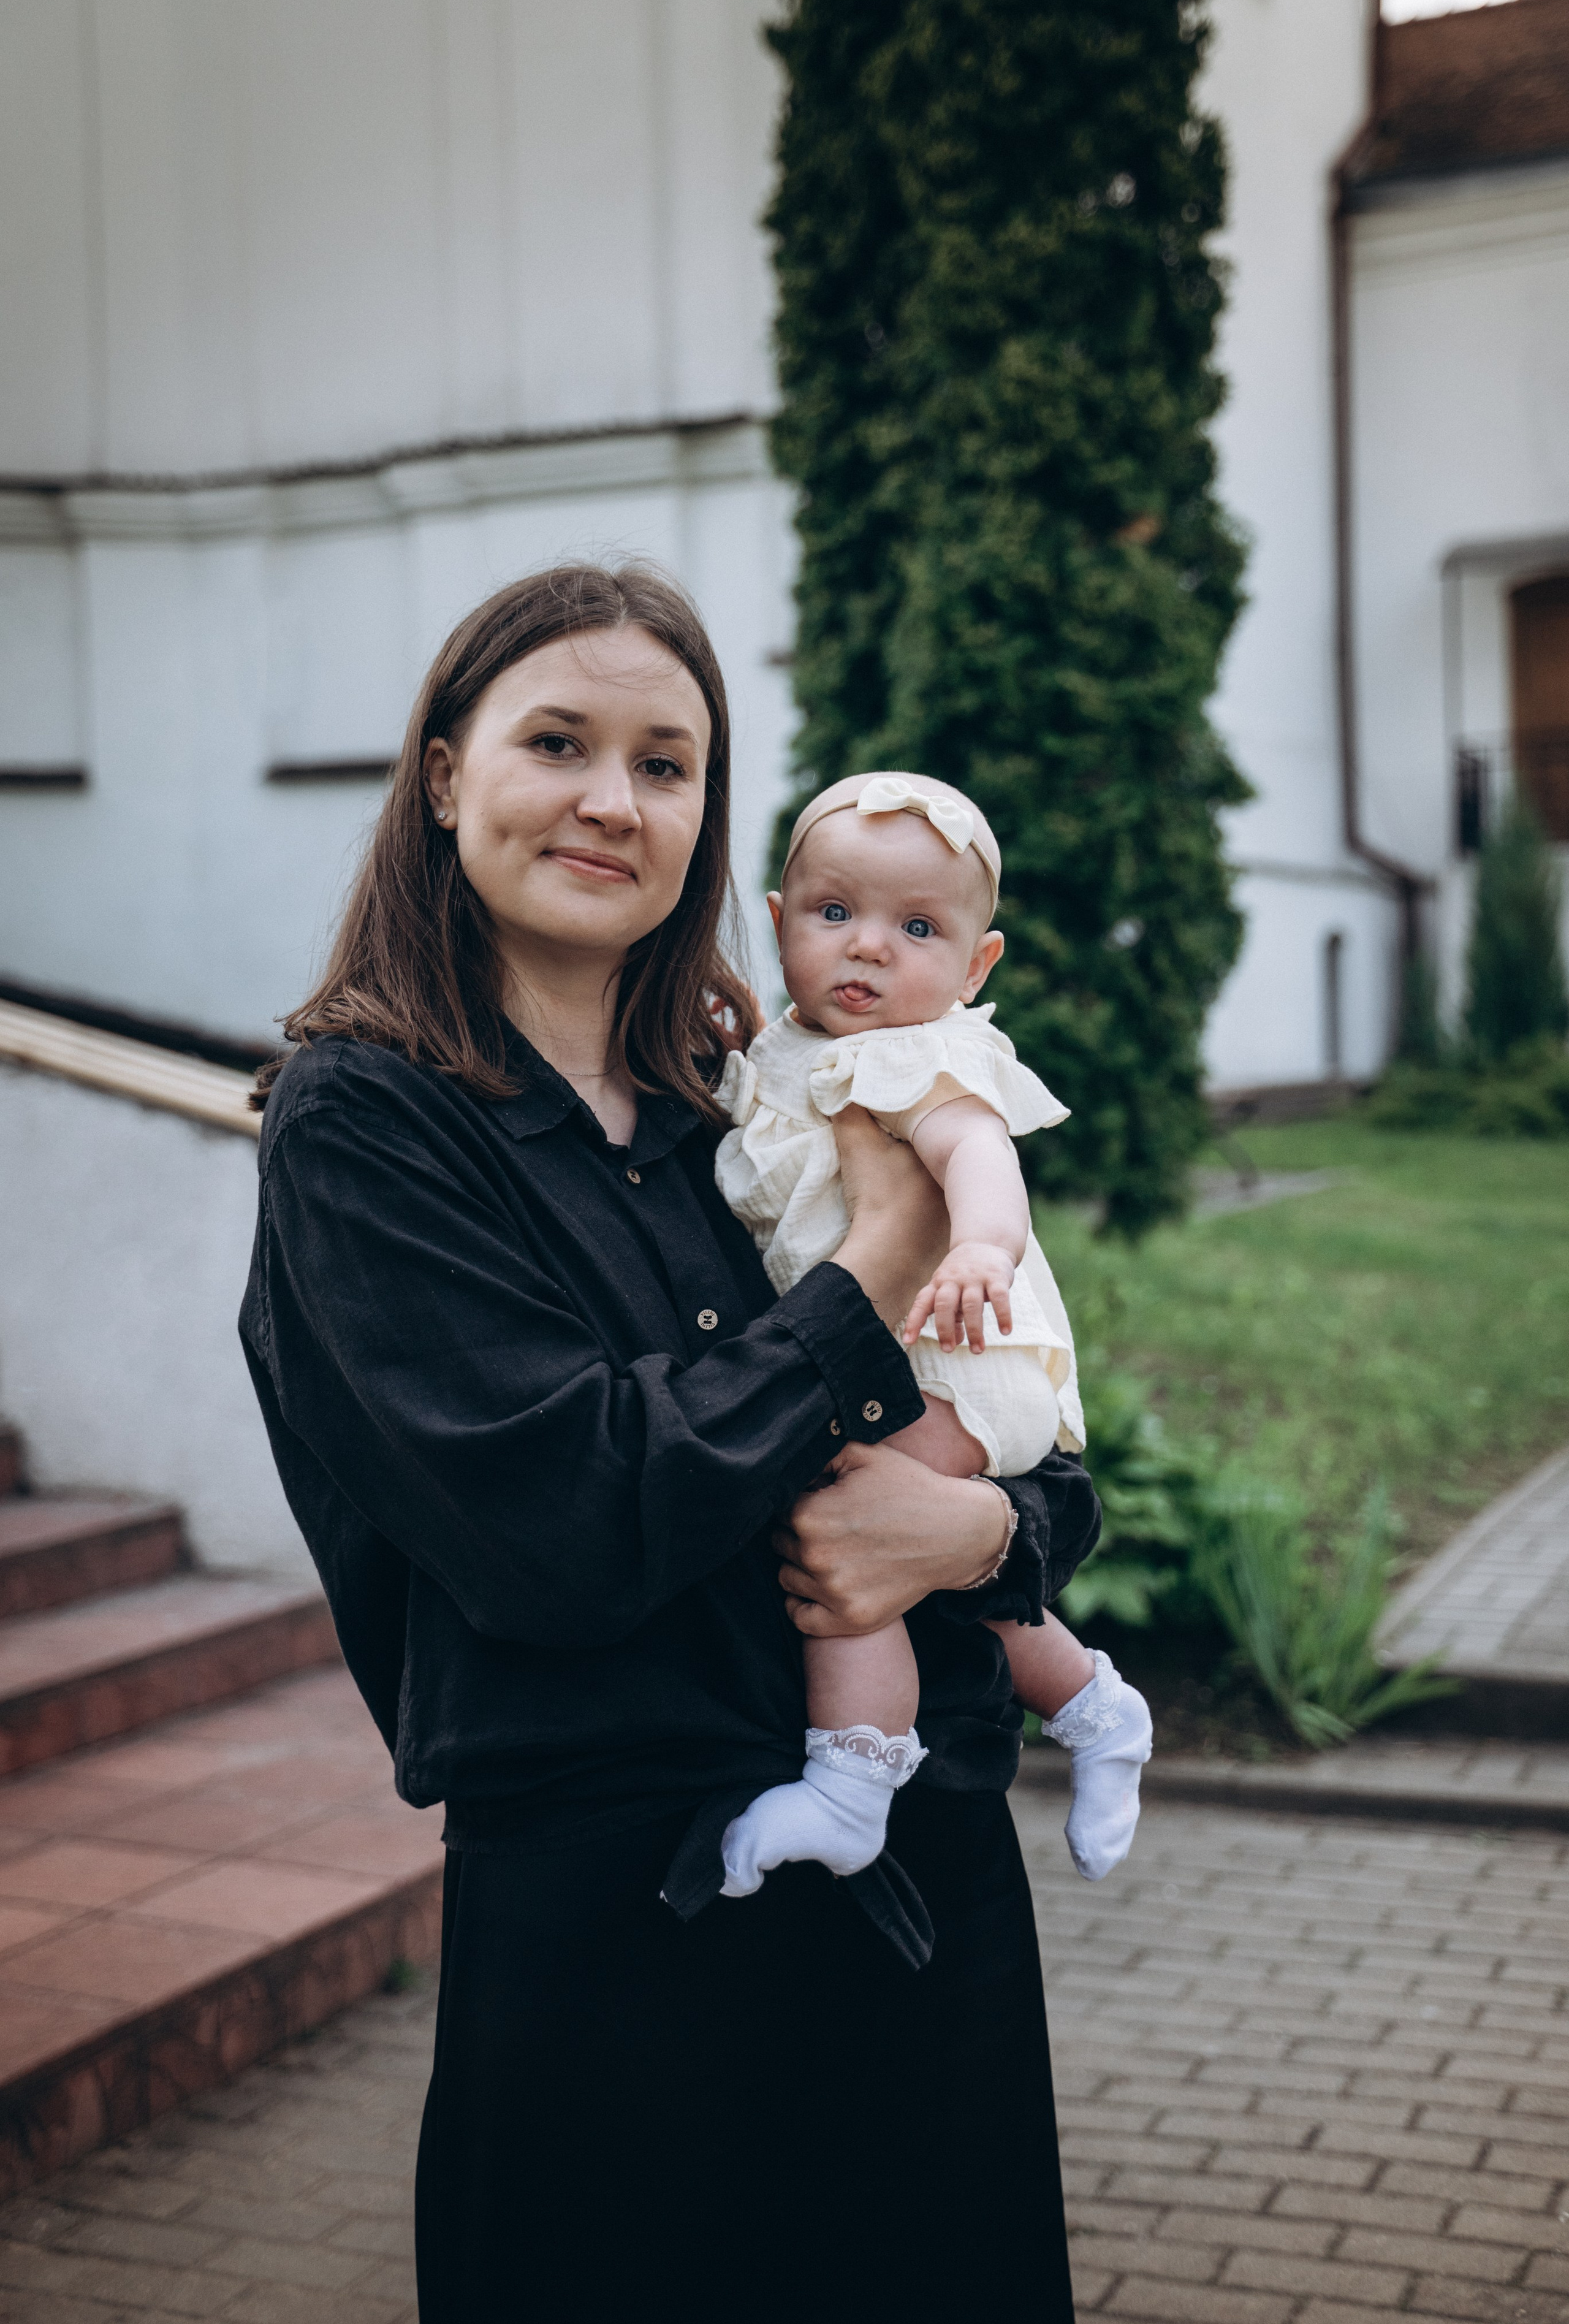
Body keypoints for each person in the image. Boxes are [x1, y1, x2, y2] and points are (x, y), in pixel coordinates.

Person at [240, 563, 1099, 2322]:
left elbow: (1022, 1437)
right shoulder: (369, 1123)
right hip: (627, 1936)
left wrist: (981, 1544)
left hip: (916, 1881)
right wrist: (873, 1266)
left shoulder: (761, 1089)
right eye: (558, 741)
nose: (615, 801)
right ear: (443, 773)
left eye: (669, 761)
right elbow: (564, 1515)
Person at [713, 772, 1152, 1901]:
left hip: (949, 1346)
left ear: (975, 966)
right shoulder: (778, 1056)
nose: (869, 951)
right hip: (879, 1352)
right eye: (833, 915)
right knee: (936, 1565)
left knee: (854, 1528)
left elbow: (978, 1159)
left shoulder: (918, 1057)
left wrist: (982, 1250)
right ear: (777, 923)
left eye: (917, 929)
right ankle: (1097, 1706)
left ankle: (854, 1782)